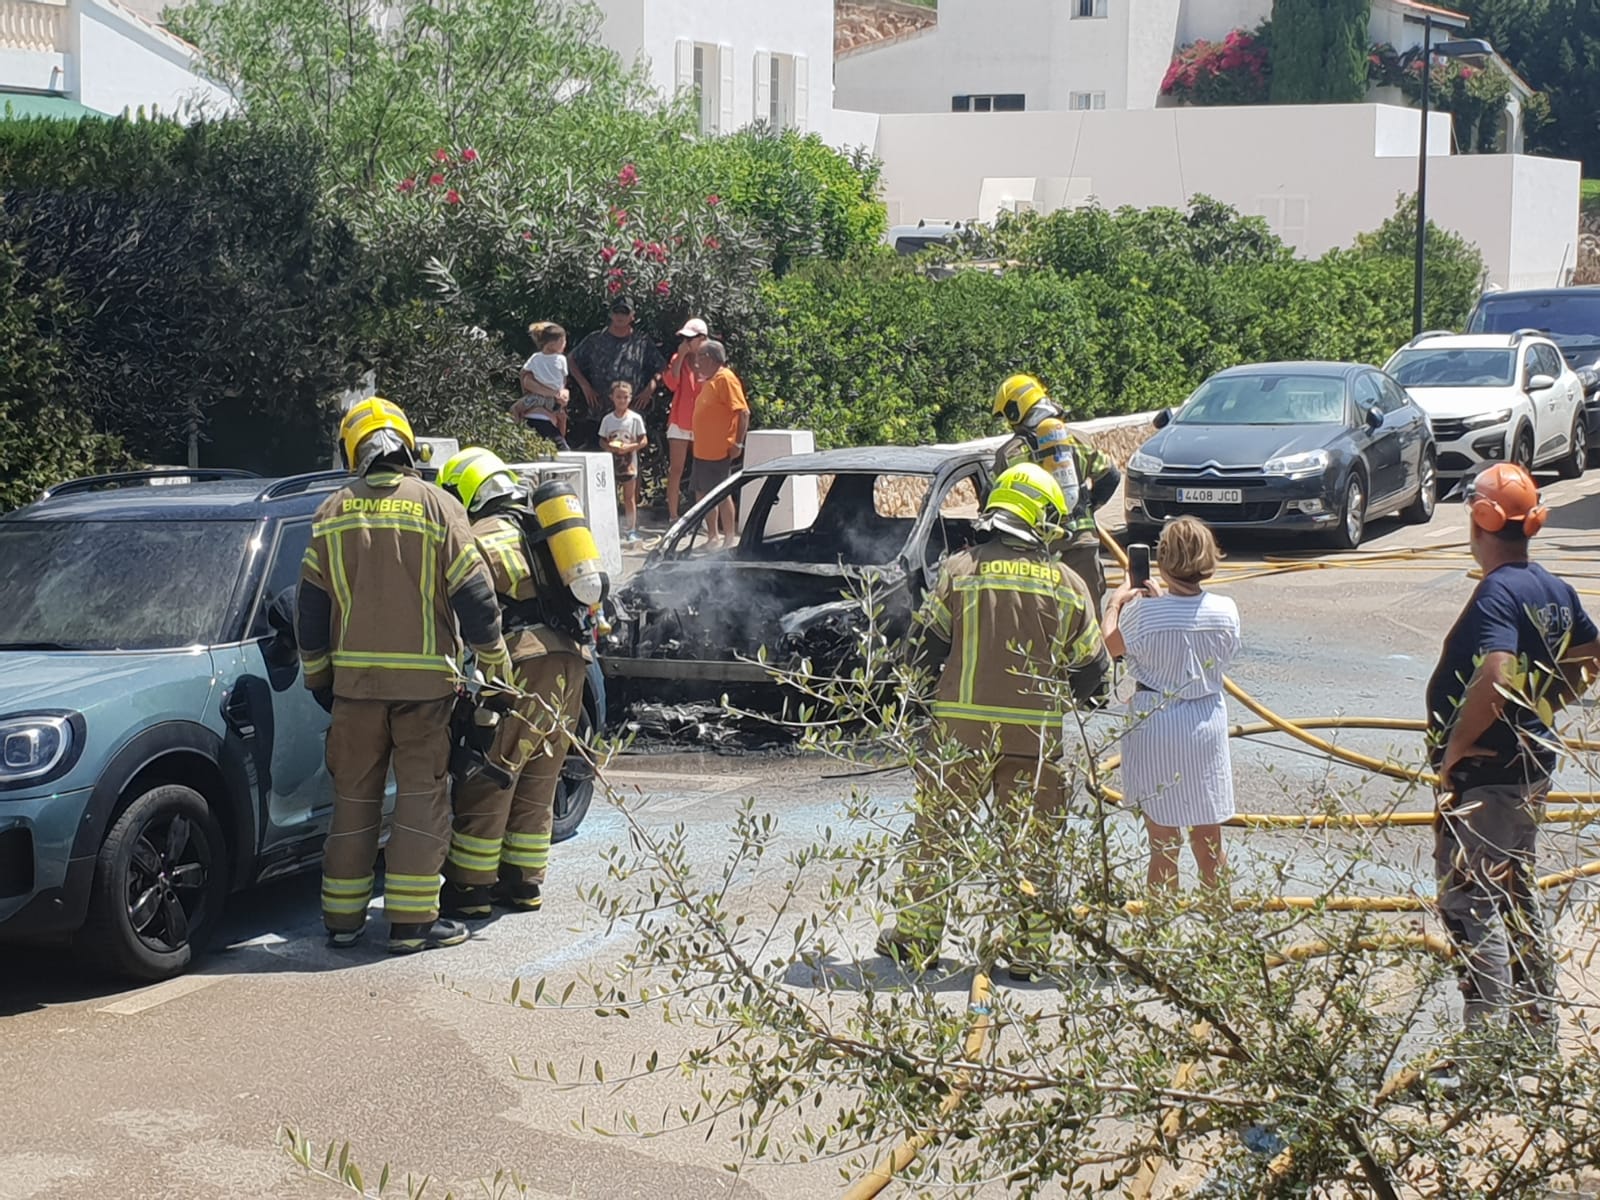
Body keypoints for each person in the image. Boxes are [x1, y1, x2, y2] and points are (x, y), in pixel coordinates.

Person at [875, 463, 1111, 982]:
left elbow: (923, 652)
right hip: (1036, 742)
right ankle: (1028, 950)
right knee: (1032, 844)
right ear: (1045, 521)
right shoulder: (1070, 585)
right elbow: (1093, 676)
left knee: (936, 837)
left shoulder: (961, 571)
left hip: (959, 740)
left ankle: (917, 940)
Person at [297, 397, 511, 954]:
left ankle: (341, 921)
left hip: (355, 690)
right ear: (407, 444)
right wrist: (495, 664)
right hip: (425, 691)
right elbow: (475, 596)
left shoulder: (331, 512)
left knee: (354, 799)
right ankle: (412, 925)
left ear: (353, 450)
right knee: (421, 796)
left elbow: (311, 608)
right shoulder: (438, 507)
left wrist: (319, 677)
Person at [1426, 463, 1600, 1032]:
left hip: (1488, 778)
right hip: (1527, 769)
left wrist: (1457, 745)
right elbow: (1590, 656)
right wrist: (1546, 706)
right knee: (1515, 894)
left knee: (1469, 902)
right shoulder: (1552, 587)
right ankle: (1535, 1030)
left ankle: (1488, 1047)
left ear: (1481, 521)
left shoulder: (1499, 592)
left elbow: (1496, 671)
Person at [435, 448, 594, 920]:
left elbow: (469, 603)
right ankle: (523, 885)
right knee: (539, 777)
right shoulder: (543, 532)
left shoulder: (485, 536)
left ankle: (470, 889)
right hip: (572, 663)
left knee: (493, 772)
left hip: (525, 661)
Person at [1102, 517, 1241, 895]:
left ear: (1163, 561)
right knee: (1210, 845)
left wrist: (1116, 603)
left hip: (1155, 723)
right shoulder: (1225, 611)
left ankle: (1159, 935)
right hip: (1205, 720)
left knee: (1163, 846)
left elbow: (1113, 646)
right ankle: (1221, 931)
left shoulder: (1142, 614)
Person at [992, 373, 1121, 615]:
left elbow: (993, 503)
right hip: (1082, 543)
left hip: (1037, 550)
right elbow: (1111, 477)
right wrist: (1088, 507)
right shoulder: (1079, 440)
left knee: (1043, 619)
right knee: (1088, 615)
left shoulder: (1009, 455)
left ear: (1015, 410)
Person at [568, 297, 666, 446]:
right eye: (617, 311)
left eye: (625, 312)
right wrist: (585, 386)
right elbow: (571, 360)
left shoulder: (641, 342)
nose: (620, 316)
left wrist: (649, 389)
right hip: (599, 411)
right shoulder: (595, 339)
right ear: (611, 314)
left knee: (627, 462)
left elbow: (662, 367)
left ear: (632, 316)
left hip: (630, 414)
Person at [690, 339, 749, 550]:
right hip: (702, 450)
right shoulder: (711, 380)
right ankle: (712, 537)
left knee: (721, 494)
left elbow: (742, 412)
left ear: (710, 358)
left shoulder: (726, 378)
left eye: (699, 357)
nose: (696, 362)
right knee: (702, 493)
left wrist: (738, 444)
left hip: (718, 451)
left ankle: (728, 539)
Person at [662, 317, 709, 522]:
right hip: (679, 420)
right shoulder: (677, 358)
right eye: (685, 339)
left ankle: (702, 516)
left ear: (703, 339)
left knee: (702, 471)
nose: (686, 343)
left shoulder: (710, 360)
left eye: (691, 339)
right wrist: (680, 358)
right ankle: (673, 516)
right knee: (676, 469)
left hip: (702, 423)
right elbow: (671, 384)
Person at [599, 380, 649, 543]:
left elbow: (643, 441)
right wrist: (610, 448)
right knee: (610, 497)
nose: (622, 400)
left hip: (629, 465)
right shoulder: (607, 420)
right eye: (618, 397)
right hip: (611, 464)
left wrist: (629, 448)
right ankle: (610, 527)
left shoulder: (635, 419)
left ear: (630, 398)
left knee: (629, 498)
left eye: (625, 397)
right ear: (612, 398)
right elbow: (601, 440)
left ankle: (631, 529)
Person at [514, 322, 571, 450]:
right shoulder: (561, 359)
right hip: (551, 403)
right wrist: (559, 391)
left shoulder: (535, 358)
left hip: (535, 400)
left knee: (514, 409)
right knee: (560, 421)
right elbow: (563, 378)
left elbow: (523, 374)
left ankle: (515, 429)